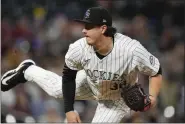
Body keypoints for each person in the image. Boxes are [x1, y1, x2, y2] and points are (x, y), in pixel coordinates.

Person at [1, 7, 162, 123]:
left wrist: (153, 96)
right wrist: (69, 110)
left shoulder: (130, 49)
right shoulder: (78, 48)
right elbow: (68, 78)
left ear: (103, 28)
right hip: (90, 82)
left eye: (89, 26)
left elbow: (156, 70)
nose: (84, 31)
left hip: (115, 100)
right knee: (57, 89)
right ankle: (28, 70)